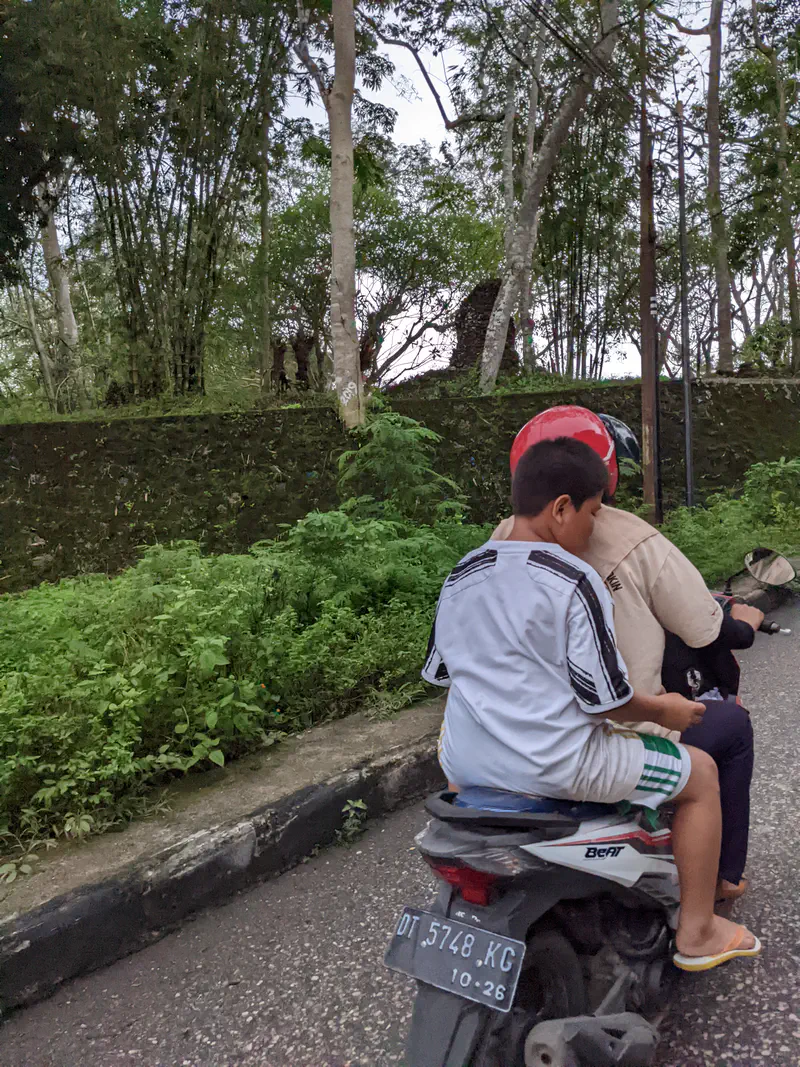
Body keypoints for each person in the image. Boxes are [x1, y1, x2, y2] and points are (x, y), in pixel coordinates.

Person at [426, 436, 760, 972]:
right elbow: (607, 702)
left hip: (466, 766)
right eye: (593, 512)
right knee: (699, 776)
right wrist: (665, 711)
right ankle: (698, 930)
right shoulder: (571, 577)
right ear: (561, 508)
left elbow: (446, 672)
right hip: (560, 765)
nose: (594, 526)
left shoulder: (462, 573)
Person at [493, 406, 757, 902]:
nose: (594, 525)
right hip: (595, 741)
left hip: (508, 737)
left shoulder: (499, 543)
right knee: (731, 731)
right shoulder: (627, 540)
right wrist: (741, 623)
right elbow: (701, 628)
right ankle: (716, 886)